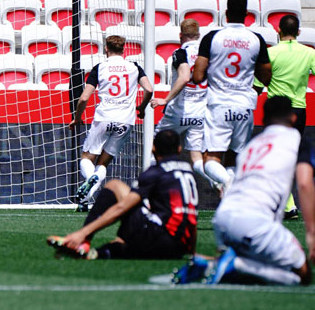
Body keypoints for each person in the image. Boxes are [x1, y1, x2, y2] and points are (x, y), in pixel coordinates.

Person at [190, 96, 315, 286]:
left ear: (264, 119)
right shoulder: (297, 140)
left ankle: (210, 264)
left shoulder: (253, 146)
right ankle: (238, 265)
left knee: (260, 258)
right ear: (293, 118)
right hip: (255, 222)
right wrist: (311, 233)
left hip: (222, 219)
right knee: (303, 275)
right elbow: (305, 184)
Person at [47, 129, 198, 260]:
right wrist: (192, 253)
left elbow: (121, 208)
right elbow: (191, 215)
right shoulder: (188, 171)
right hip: (181, 247)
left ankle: (84, 241)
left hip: (160, 238)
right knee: (121, 241)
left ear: (153, 148)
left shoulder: (155, 173)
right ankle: (99, 253)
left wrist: (82, 232)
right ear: (179, 149)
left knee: (115, 186)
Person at [254, 13, 315, 219]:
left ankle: (287, 205)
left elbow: (257, 85)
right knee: (290, 156)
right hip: (298, 110)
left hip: (275, 111)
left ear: (278, 31)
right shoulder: (309, 53)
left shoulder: (271, 53)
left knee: (275, 156)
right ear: (298, 32)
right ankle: (288, 203)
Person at [191, 0, 272, 193]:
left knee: (211, 158)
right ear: (246, 13)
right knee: (235, 156)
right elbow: (266, 77)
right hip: (244, 105)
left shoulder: (212, 37)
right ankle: (233, 194)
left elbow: (198, 76)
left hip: (218, 104)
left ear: (226, 13)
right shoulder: (256, 39)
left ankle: (228, 182)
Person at [70, 35, 154, 209]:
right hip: (126, 121)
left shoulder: (100, 68)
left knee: (86, 157)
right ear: (123, 49)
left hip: (104, 118)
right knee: (103, 163)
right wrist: (142, 107)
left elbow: (84, 98)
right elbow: (149, 89)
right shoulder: (134, 67)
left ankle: (90, 181)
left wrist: (77, 118)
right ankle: (85, 200)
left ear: (106, 48)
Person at [150, 19, 207, 181]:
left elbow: (184, 77)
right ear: (199, 35)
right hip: (200, 111)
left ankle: (150, 187)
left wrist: (165, 100)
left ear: (181, 35)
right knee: (196, 156)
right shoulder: (206, 53)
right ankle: (216, 181)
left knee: (155, 145)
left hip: (180, 110)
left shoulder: (180, 53)